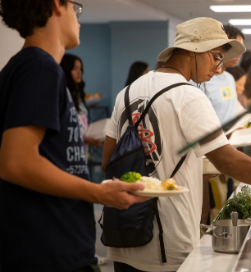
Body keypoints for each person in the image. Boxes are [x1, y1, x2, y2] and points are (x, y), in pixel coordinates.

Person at [102, 17, 251, 272]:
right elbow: (230, 161)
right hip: (166, 243)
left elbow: (109, 161)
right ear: (194, 51)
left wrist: (191, 168)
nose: (219, 68)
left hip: (124, 236)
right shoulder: (189, 94)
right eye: (216, 57)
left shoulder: (128, 92)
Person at [0, 1, 149, 271]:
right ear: (57, 5)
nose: (78, 20)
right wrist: (97, 193)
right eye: (75, 8)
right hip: (46, 250)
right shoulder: (39, 68)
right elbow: (17, 162)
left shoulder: (35, 68)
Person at [191, 24, 245, 125]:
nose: (238, 54)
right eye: (234, 47)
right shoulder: (200, 80)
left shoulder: (230, 78)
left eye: (240, 49)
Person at [61, 54, 103, 158]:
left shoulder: (78, 95)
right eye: (75, 69)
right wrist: (86, 139)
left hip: (81, 151)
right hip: (67, 152)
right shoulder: (63, 94)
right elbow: (63, 130)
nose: (79, 72)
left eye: (80, 69)